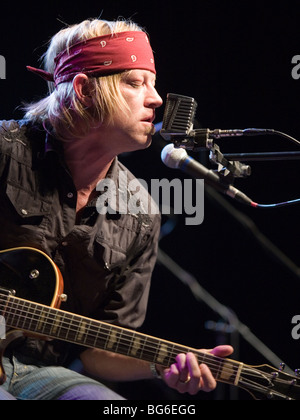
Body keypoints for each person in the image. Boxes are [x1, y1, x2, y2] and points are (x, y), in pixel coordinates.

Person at [0, 17, 233, 400]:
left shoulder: (140, 214)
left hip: (38, 373)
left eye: (152, 84)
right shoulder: (6, 150)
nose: (156, 99)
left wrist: (162, 363)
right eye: (135, 82)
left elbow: (98, 354)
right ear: (84, 89)